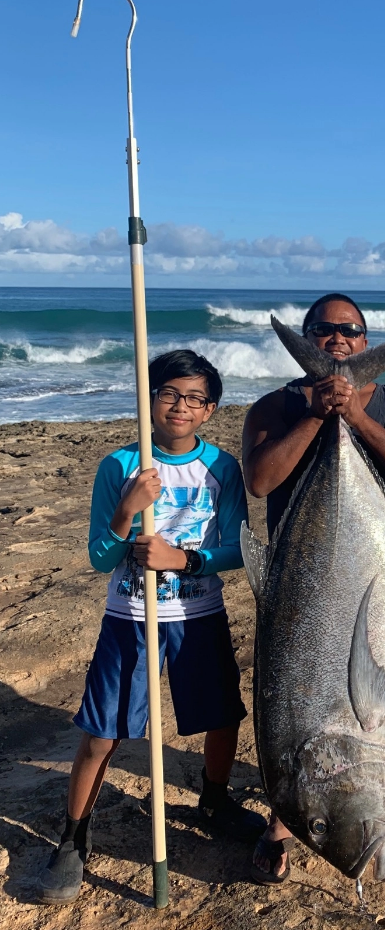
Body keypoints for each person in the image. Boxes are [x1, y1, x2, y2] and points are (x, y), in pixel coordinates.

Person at [38, 349, 265, 904]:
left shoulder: (223, 468)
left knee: (220, 715)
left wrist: (181, 560)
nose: (180, 407)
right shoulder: (120, 466)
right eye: (169, 394)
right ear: (150, 398)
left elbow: (234, 550)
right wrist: (127, 509)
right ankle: (73, 837)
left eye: (194, 399)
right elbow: (98, 555)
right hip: (130, 616)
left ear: (210, 409)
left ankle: (213, 801)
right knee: (104, 729)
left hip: (198, 613)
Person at [242, 293, 385, 884]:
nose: (336, 339)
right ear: (307, 337)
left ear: (365, 338)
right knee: (298, 693)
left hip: (376, 556)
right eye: (322, 330)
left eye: (349, 330)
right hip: (301, 574)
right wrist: (317, 414)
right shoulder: (272, 407)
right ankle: (284, 819)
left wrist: (354, 415)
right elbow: (260, 479)